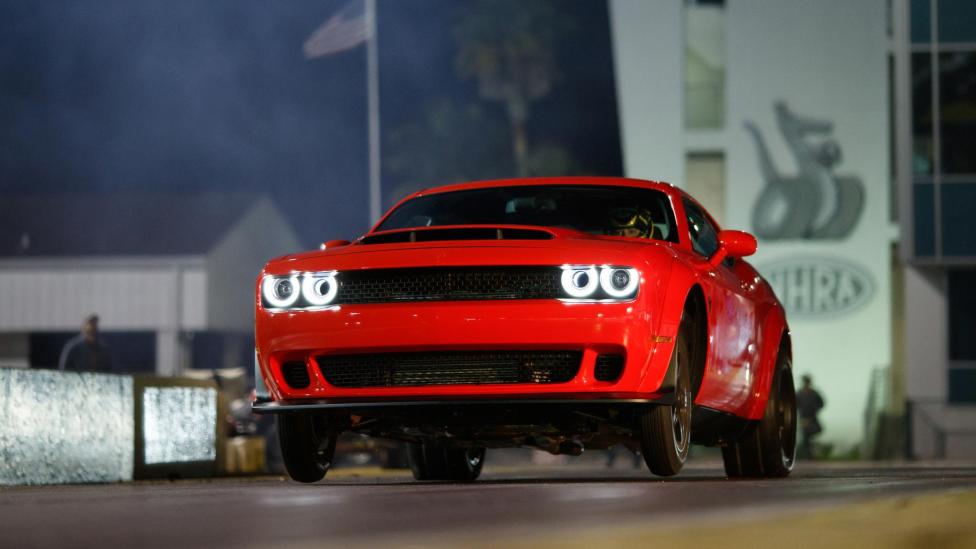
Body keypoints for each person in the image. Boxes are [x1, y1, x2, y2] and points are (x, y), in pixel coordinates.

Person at [796, 374, 825, 459]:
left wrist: (815, 410)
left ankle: (812, 449)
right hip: (804, 419)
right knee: (806, 438)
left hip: (812, 418)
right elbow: (795, 405)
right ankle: (809, 456)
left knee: (817, 430)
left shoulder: (814, 393)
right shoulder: (799, 393)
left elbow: (821, 403)